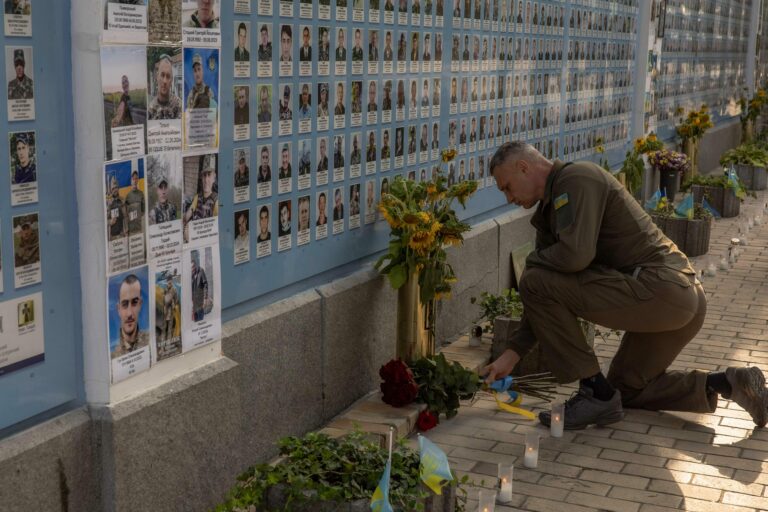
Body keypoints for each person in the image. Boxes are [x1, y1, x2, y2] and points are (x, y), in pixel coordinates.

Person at [482, 141, 768, 430]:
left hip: (661, 291)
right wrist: (511, 355)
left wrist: (532, 262)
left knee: (534, 279)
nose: (508, 198)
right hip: (679, 297)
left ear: (523, 167)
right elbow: (542, 298)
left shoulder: (576, 178)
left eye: (507, 187)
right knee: (625, 388)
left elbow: (574, 256)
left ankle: (594, 392)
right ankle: (729, 383)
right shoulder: (550, 208)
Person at [112, 273, 149, 358]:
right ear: (118, 309)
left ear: (140, 304)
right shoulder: (113, 355)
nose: (129, 313)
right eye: (124, 304)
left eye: (134, 303)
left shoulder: (151, 340)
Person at [184, 155, 218, 228]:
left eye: (209, 175)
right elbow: (188, 214)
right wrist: (185, 221)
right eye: (204, 175)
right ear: (201, 178)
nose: (206, 180)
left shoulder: (216, 201)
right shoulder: (197, 197)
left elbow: (215, 228)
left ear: (214, 178)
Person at [148, 54, 182, 120]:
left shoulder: (179, 106)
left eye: (168, 76)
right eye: (162, 75)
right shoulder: (150, 110)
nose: (165, 81)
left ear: (171, 80)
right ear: (157, 77)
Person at [190, 250, 209, 322]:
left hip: (200, 301)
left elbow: (205, 284)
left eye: (193, 267)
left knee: (200, 320)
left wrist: (205, 298)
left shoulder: (201, 271)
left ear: (195, 265)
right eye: (191, 268)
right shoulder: (190, 274)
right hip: (193, 301)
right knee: (195, 320)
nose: (192, 269)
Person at [124, 170, 145, 235]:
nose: (135, 181)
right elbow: (125, 214)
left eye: (136, 179)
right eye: (133, 179)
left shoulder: (141, 194)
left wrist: (137, 216)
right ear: (131, 181)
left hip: (139, 229)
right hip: (130, 230)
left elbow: (143, 211)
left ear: (138, 180)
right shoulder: (127, 196)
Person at [107, 176, 126, 240]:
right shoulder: (109, 203)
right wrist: (110, 222)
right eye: (113, 188)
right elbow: (105, 220)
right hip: (113, 237)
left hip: (122, 234)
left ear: (118, 188)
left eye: (116, 187)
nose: (115, 190)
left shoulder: (123, 200)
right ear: (111, 190)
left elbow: (126, 217)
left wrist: (126, 231)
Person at [162, 275, 179, 342]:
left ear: (172, 281)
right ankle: (163, 344)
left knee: (169, 328)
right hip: (165, 311)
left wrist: (174, 303)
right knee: (164, 328)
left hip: (171, 311)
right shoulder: (165, 289)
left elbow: (177, 300)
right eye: (168, 281)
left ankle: (168, 344)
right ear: (167, 281)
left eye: (170, 281)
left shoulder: (174, 290)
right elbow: (163, 300)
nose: (169, 282)